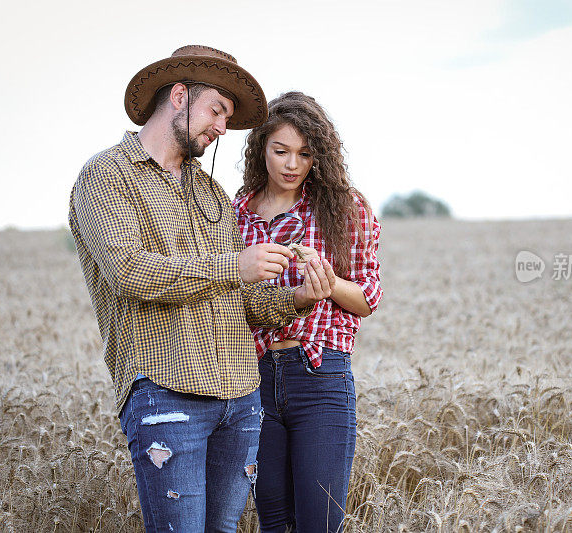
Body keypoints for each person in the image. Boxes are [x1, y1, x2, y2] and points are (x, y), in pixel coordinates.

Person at [68, 46, 336, 533]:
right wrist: (235, 264)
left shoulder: (211, 193)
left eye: (228, 119)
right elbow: (129, 271)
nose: (221, 129)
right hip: (166, 394)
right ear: (178, 97)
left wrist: (300, 298)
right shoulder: (106, 176)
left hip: (240, 398)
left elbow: (242, 300)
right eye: (216, 111)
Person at [233, 92, 383, 532]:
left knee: (319, 521)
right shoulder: (235, 213)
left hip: (320, 375)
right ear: (261, 147)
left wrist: (328, 283)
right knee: (274, 521)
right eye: (280, 151)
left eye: (304, 154)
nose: (291, 164)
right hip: (253, 378)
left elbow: (368, 298)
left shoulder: (343, 208)